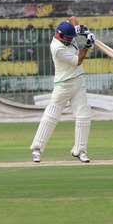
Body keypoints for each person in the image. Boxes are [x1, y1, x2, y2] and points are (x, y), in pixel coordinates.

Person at [30, 16, 95, 163]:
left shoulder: (67, 36)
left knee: (83, 116)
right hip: (63, 85)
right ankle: (37, 149)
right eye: (69, 37)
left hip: (78, 82)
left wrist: (78, 29)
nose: (71, 40)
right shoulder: (57, 48)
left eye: (72, 37)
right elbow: (78, 61)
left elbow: (73, 18)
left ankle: (80, 151)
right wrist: (88, 45)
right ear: (59, 36)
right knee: (51, 116)